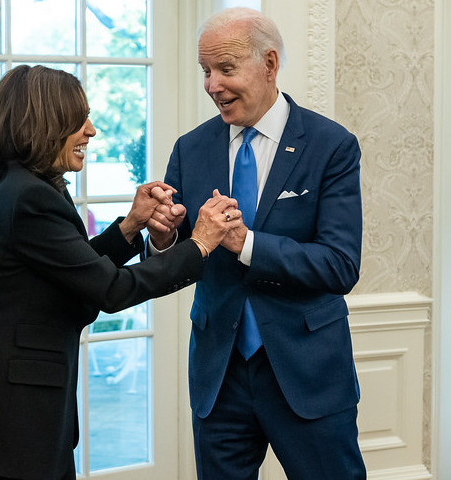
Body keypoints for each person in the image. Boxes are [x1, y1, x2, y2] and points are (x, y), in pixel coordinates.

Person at [0, 65, 240, 480]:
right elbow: (110, 290)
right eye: (79, 119)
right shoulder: (29, 197)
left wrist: (131, 225)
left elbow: (71, 269)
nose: (90, 131)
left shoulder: (25, 186)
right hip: (8, 411)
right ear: (45, 121)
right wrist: (199, 244)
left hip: (8, 405)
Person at [148, 8, 366, 479]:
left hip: (306, 374)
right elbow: (178, 252)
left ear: (269, 64)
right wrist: (162, 237)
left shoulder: (331, 146)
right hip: (219, 377)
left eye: (226, 69)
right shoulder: (191, 148)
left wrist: (247, 243)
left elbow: (341, 265)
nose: (212, 85)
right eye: (206, 71)